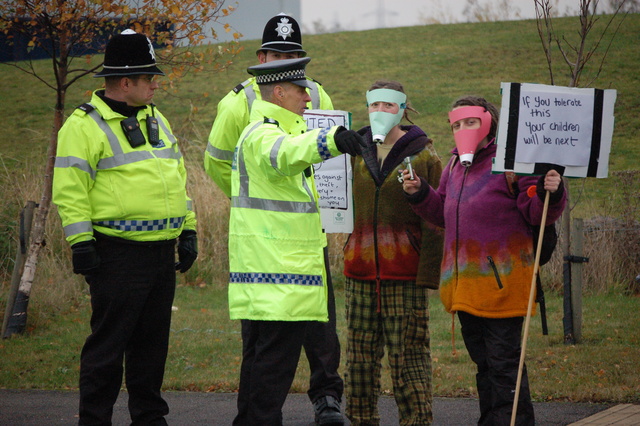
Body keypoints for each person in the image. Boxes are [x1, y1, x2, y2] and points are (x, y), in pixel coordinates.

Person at [52, 29, 198, 425]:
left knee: (152, 349)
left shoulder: (156, 118)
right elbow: (70, 189)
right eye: (149, 77)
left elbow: (178, 178)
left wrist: (187, 230)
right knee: (107, 348)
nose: (155, 84)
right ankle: (94, 419)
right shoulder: (84, 126)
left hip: (160, 254)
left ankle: (149, 419)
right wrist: (81, 243)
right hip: (117, 255)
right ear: (125, 81)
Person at [204, 13, 344, 425]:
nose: (306, 96)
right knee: (269, 348)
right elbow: (226, 162)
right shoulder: (241, 105)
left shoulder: (316, 94)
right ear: (263, 59)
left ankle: (326, 397)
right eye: (279, 56)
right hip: (271, 245)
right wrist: (255, 205)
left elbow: (323, 165)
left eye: (293, 55)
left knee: (318, 330)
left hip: (304, 238)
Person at [401, 96, 567, 426]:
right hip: (465, 288)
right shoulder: (453, 166)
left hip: (503, 286)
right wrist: (419, 192)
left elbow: (538, 213)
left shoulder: (512, 164)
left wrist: (553, 191)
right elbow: (444, 212)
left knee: (505, 368)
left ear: (489, 122)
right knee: (485, 366)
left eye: (470, 121)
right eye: (457, 124)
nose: (463, 128)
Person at [227, 57, 365, 426]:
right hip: (278, 277)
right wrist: (333, 139)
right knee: (272, 371)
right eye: (301, 90)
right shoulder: (263, 134)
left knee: (261, 365)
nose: (308, 97)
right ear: (279, 92)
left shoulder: (272, 131)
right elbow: (286, 155)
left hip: (273, 274)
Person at [342, 80, 444, 425]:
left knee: (408, 360)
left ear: (402, 108)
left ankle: (417, 421)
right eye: (375, 105)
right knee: (358, 361)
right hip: (359, 271)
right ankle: (360, 419)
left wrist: (428, 273)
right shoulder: (354, 152)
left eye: (388, 105)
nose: (380, 111)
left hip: (405, 273)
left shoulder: (424, 156)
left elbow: (438, 218)